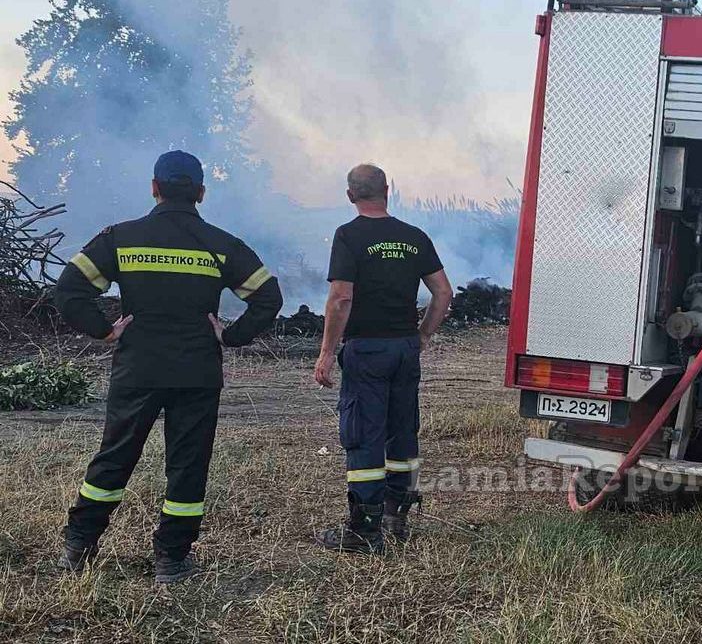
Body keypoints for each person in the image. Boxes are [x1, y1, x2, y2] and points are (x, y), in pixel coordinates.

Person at [55, 150, 283, 583]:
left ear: (155, 188)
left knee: (115, 456)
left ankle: (79, 544)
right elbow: (268, 297)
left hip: (138, 368)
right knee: (188, 464)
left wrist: (103, 330)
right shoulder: (222, 244)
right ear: (200, 192)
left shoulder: (120, 238)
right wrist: (231, 335)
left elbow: (69, 291)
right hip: (197, 372)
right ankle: (171, 560)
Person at [312, 163, 452, 553]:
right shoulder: (413, 237)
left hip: (367, 350)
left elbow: (341, 297)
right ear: (387, 190)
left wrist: (325, 353)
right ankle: (397, 518)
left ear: (350, 195)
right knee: (402, 431)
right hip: (405, 350)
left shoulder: (349, 235)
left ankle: (365, 531)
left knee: (364, 436)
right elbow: (442, 293)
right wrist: (422, 335)